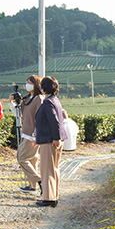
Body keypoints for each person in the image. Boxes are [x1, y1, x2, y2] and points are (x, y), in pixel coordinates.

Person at [34, 77, 67, 207]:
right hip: (56, 138)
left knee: (47, 169)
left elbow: (54, 121)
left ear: (44, 88)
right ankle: (54, 195)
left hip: (49, 139)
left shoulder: (47, 103)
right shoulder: (55, 100)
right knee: (54, 168)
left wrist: (55, 138)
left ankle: (48, 198)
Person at [11, 75, 44, 192]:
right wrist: (12, 102)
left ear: (36, 84)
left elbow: (40, 119)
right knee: (31, 160)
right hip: (26, 133)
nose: (27, 84)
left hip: (32, 135)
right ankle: (32, 186)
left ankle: (39, 181)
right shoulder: (27, 99)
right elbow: (19, 114)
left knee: (22, 158)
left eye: (30, 82)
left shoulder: (39, 99)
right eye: (26, 82)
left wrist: (36, 135)